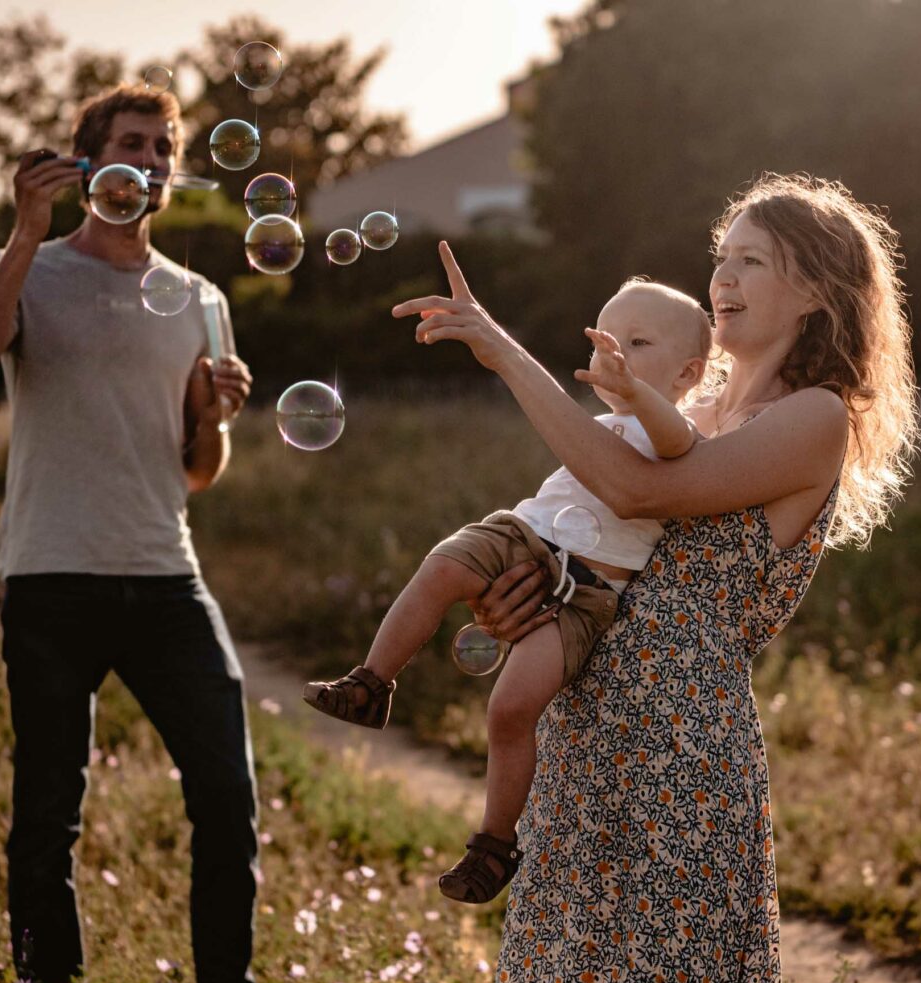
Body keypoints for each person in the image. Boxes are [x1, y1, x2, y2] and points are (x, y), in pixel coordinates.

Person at [393, 173, 918, 983]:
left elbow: (635, 493)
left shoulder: (816, 418)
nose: (724, 279)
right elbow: (582, 530)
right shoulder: (682, 404)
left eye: (752, 261)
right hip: (583, 739)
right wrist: (523, 599)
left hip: (677, 762)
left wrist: (502, 352)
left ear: (818, 291)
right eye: (722, 257)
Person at [0, 85, 259, 983]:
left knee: (227, 797)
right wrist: (28, 229)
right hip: (50, 574)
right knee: (49, 810)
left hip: (167, 576)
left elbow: (199, 471)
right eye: (134, 144)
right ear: (87, 162)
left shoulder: (199, 297)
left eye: (165, 147)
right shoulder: (19, 267)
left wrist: (212, 416)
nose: (153, 161)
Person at [303, 279, 712, 904]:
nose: (614, 354)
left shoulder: (675, 434)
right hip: (524, 534)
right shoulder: (601, 421)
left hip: (587, 592)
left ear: (689, 372)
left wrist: (635, 392)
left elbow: (676, 443)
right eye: (605, 340)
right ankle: (371, 682)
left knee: (511, 708)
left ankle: (493, 846)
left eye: (637, 342)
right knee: (440, 569)